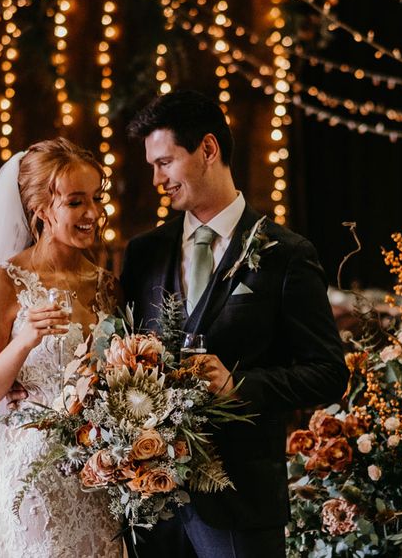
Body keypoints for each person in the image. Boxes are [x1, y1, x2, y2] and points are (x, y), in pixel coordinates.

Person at [121, 89, 349, 558]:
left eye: (165, 162)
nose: (156, 179)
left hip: (241, 503)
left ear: (208, 149)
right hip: (151, 507)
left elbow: (330, 373)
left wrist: (239, 386)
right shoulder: (143, 254)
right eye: (152, 166)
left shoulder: (287, 255)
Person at [0, 138, 124, 558]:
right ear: (42, 209)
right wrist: (23, 343)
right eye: (76, 202)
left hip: (98, 475)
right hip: (33, 482)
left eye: (96, 199)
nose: (92, 214)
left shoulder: (108, 285)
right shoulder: (7, 280)